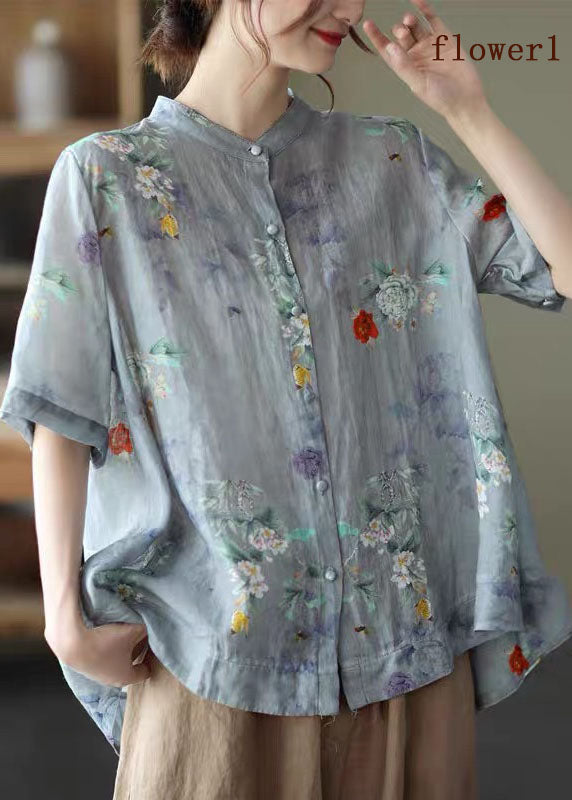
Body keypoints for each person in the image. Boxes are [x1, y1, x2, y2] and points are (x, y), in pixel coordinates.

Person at [1, 0, 571, 798]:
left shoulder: (393, 158)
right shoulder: (107, 176)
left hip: (405, 658)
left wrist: (467, 110)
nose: (351, 8)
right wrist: (63, 616)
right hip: (211, 660)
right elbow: (59, 401)